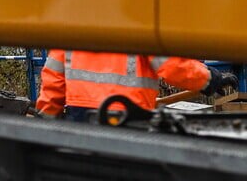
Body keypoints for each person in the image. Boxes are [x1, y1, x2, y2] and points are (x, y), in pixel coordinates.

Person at [35, 50, 235, 121]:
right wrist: (210, 78)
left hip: (80, 118)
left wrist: (47, 116)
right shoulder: (137, 15)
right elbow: (171, 65)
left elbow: (55, 73)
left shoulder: (76, 15)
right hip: (128, 119)